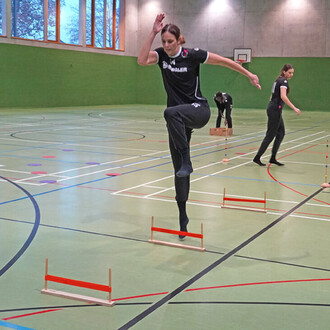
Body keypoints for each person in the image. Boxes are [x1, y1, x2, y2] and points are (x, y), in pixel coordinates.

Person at [138, 13, 261, 238]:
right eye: (163, 41)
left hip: (198, 110)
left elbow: (224, 61)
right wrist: (153, 32)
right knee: (179, 171)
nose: (166, 45)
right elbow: (141, 60)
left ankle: (187, 159)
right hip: (178, 120)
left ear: (179, 40)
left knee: (169, 113)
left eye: (170, 41)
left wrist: (248, 74)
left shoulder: (192, 55)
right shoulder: (161, 57)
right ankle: (183, 219)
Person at [253, 64, 301, 167]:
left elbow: (272, 95)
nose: (291, 75)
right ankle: (257, 157)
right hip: (274, 110)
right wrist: (294, 108)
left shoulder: (278, 80)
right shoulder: (283, 81)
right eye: (289, 72)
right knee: (270, 135)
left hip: (274, 109)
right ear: (284, 71)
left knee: (281, 133)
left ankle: (273, 158)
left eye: (292, 73)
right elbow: (283, 96)